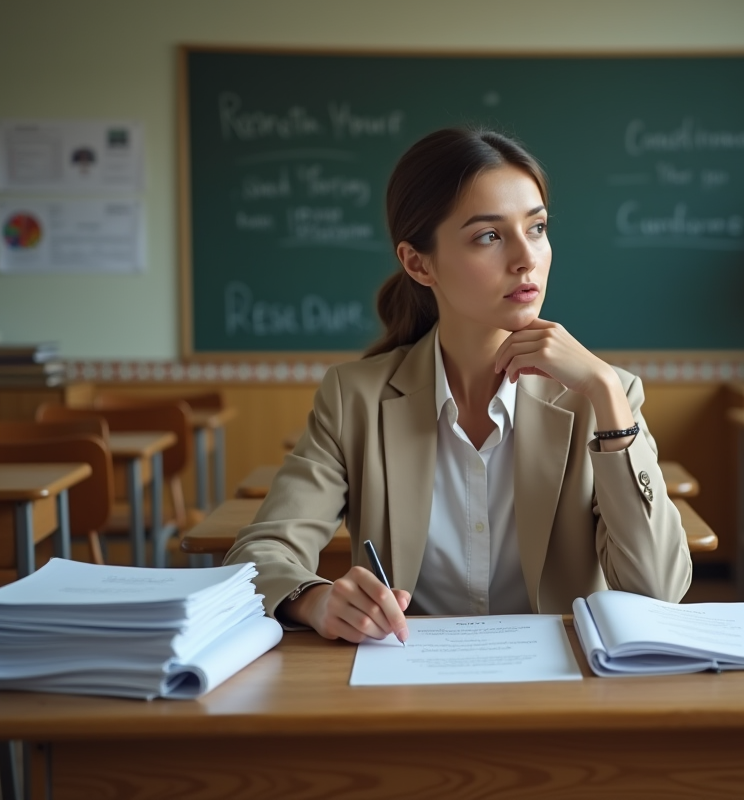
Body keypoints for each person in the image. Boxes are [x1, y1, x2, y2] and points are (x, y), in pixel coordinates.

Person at [225, 128, 691, 644]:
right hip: (406, 689)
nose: (525, 257)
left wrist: (605, 393)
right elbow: (259, 556)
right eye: (489, 236)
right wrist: (315, 600)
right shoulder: (354, 398)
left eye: (536, 228)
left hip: (563, 691)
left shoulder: (604, 398)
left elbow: (659, 594)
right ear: (418, 263)